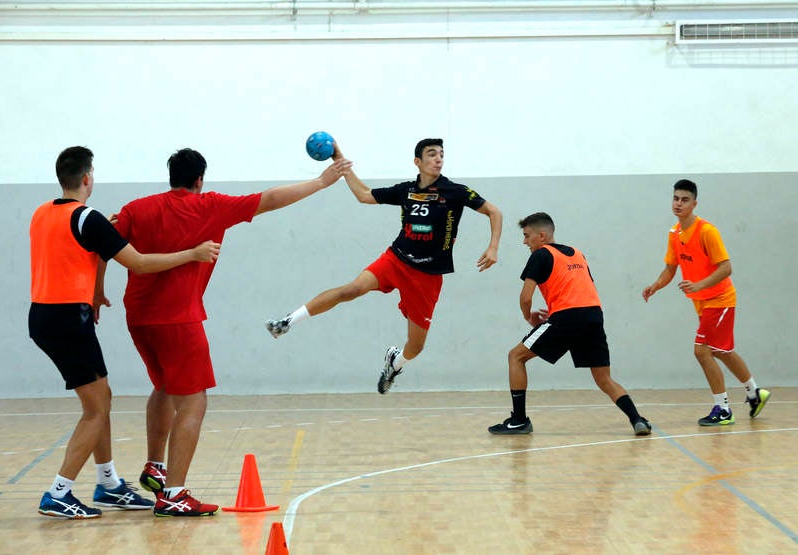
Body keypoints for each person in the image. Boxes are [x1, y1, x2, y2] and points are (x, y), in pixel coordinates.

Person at [113, 147, 351, 517]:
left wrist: (95, 292)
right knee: (193, 400)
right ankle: (174, 493)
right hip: (178, 319)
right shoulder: (209, 205)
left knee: (163, 385)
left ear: (171, 176)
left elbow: (102, 242)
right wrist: (322, 182)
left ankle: (155, 466)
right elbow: (271, 199)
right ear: (199, 180)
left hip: (138, 319)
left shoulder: (134, 209)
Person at [31, 146, 220, 519]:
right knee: (97, 409)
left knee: (100, 401)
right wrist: (193, 254)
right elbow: (139, 262)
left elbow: (77, 252)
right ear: (87, 178)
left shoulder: (41, 213)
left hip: (44, 316)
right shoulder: (89, 217)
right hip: (69, 319)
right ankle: (59, 492)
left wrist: (98, 288)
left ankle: (108, 484)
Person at [265, 138, 503, 393]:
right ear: (418, 162)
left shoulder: (456, 191)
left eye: (441, 154)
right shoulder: (406, 190)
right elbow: (364, 195)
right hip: (396, 259)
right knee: (351, 290)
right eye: (432, 154)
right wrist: (338, 157)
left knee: (416, 346)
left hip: (427, 275)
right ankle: (287, 322)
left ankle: (395, 363)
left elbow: (494, 212)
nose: (438, 159)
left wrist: (493, 247)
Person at [488, 212, 651, 436]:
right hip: (594, 316)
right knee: (603, 378)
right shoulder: (577, 253)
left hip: (567, 318)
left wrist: (530, 317)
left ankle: (518, 421)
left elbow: (525, 297)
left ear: (542, 235)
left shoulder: (540, 254)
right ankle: (637, 419)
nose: (524, 241)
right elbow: (582, 287)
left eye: (527, 236)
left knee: (515, 356)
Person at [642, 179, 770, 426]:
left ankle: (723, 409)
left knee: (701, 350)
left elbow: (726, 267)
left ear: (694, 203)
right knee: (721, 351)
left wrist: (699, 284)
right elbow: (670, 269)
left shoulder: (707, 231)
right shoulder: (674, 233)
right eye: (676, 198)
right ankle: (755, 393)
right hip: (702, 303)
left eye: (684, 199)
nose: (679, 203)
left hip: (720, 299)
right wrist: (655, 286)